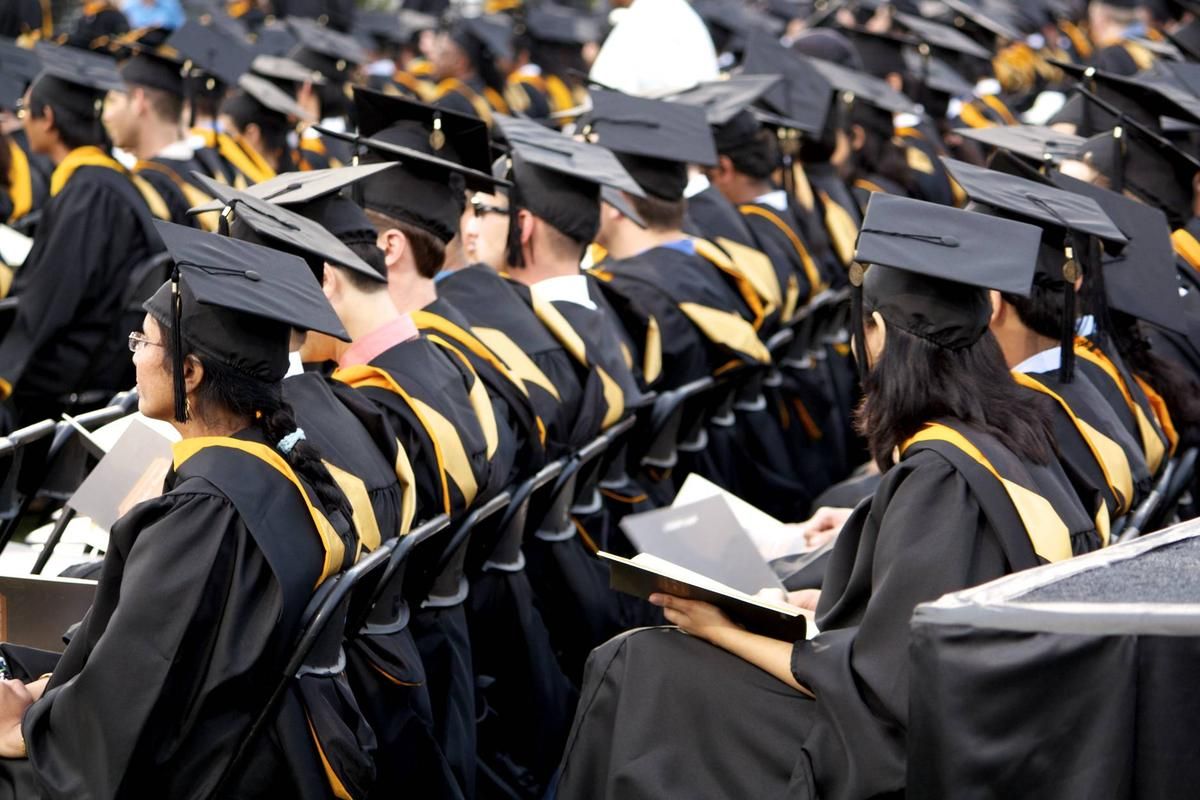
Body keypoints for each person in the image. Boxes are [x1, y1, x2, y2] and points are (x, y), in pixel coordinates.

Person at [556, 195, 1102, 800]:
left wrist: (721, 630)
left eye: (867, 329)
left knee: (638, 666)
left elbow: (882, 687)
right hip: (993, 722)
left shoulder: (942, 473)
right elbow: (925, 612)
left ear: (891, 336)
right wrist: (836, 604)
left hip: (905, 757)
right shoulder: (1020, 427)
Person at [0, 221, 370, 799]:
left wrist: (28, 723)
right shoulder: (278, 468)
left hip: (187, 770)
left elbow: (130, 698)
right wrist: (53, 684)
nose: (136, 357)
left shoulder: (206, 513)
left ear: (190, 374)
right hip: (238, 740)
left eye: (143, 342)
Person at [0, 45, 165, 427]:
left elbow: (52, 298)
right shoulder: (112, 179)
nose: (22, 123)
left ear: (48, 118)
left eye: (26, 112)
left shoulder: (89, 193)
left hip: (74, 378)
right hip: (108, 358)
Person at [104, 37, 217, 228]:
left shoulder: (150, 186)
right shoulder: (208, 164)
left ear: (139, 102)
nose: (106, 115)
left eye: (113, 101)